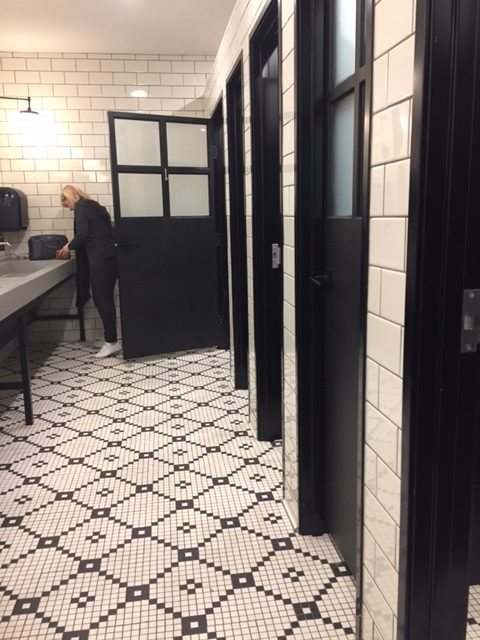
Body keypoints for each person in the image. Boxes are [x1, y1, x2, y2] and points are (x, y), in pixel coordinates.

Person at [58, 185, 121, 358]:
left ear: (70, 197)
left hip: (100, 258)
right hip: (110, 257)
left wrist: (67, 247)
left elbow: (83, 234)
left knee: (102, 299)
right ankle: (110, 338)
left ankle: (112, 342)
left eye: (65, 203)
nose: (67, 208)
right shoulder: (95, 206)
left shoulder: (81, 208)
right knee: (105, 299)